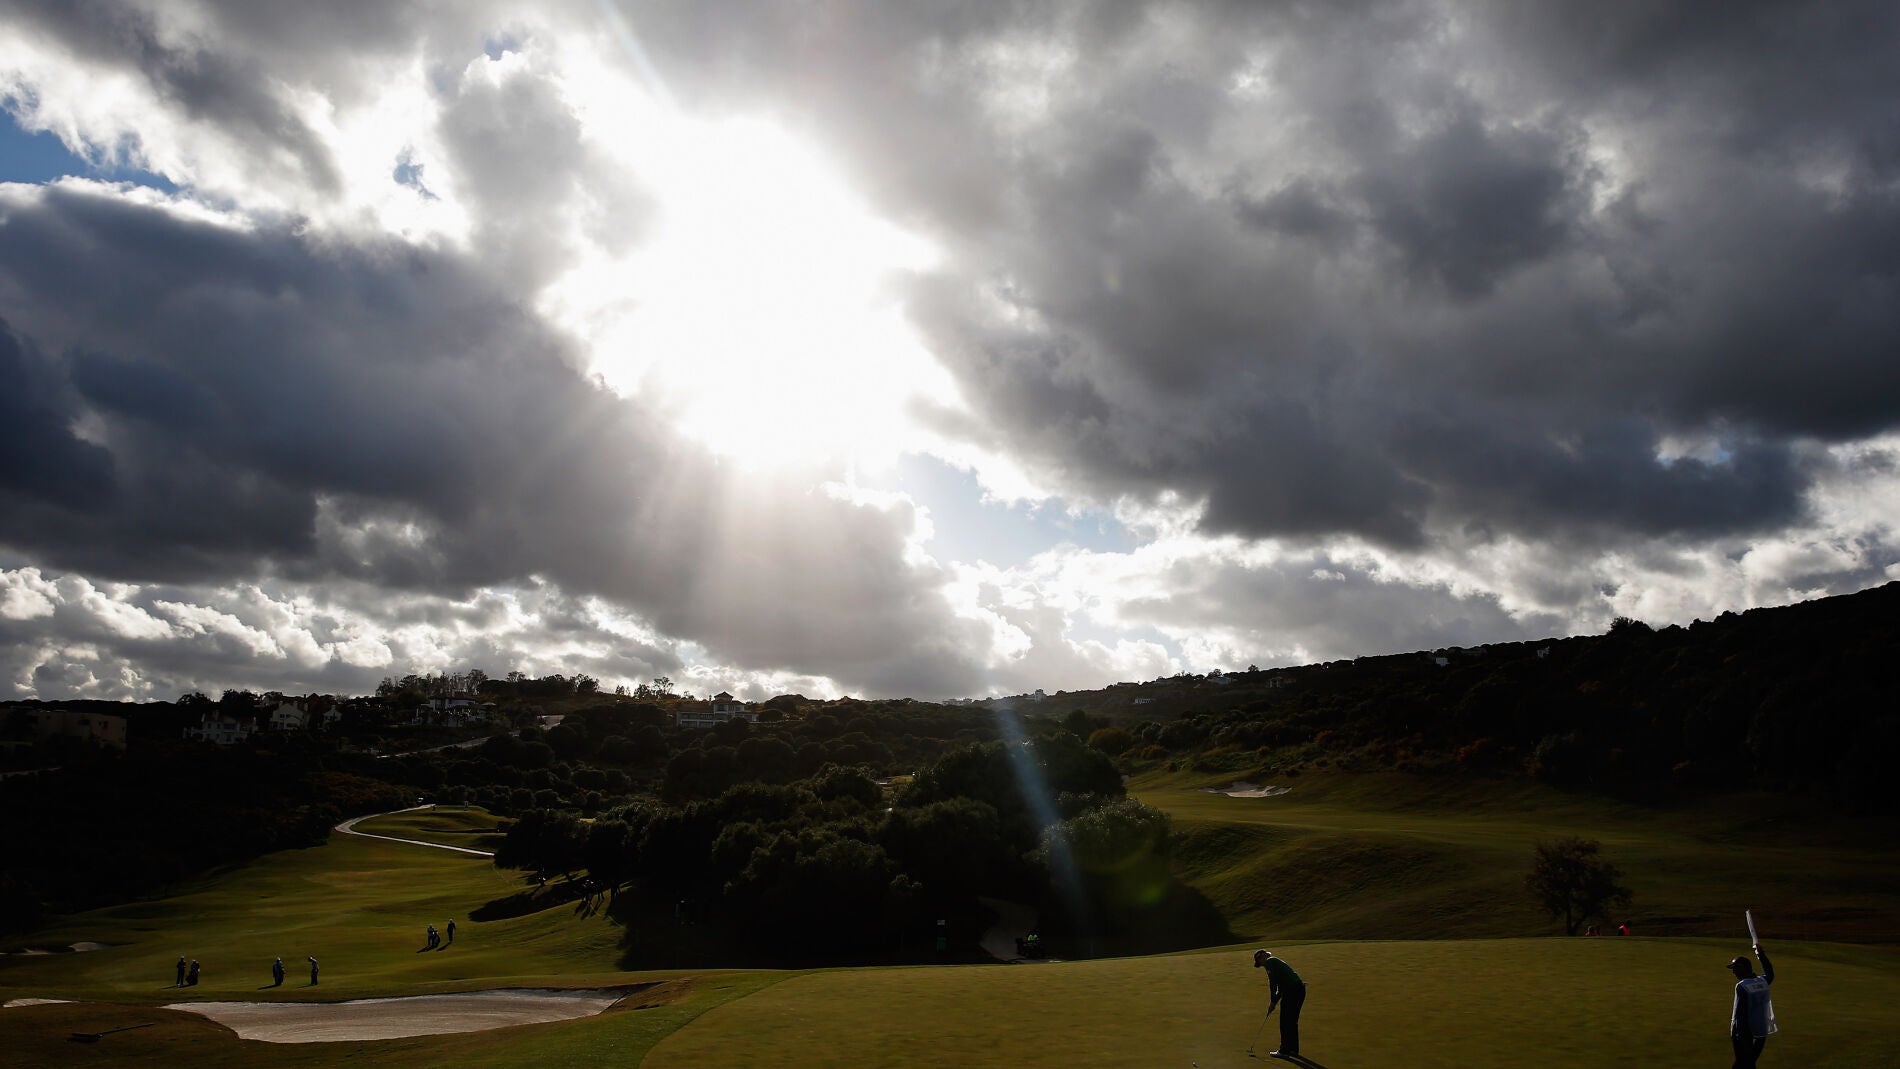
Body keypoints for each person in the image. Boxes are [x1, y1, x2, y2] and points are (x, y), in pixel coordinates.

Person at [1728, 943, 1777, 1069]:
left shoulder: (1742, 986)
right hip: (1761, 1030)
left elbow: (1740, 1014)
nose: (1733, 972)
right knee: (1749, 1062)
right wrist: (1761, 955)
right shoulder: (1762, 982)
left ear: (1742, 968)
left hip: (1744, 1034)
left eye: (1735, 968)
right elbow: (1770, 973)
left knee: (1743, 1063)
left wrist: (1738, 1035)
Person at [1252, 949, 1307, 1059]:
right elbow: (1280, 988)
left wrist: (1272, 1002)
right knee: (1292, 1021)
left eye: (1260, 962)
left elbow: (1273, 984)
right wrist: (1274, 1002)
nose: (1262, 965)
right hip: (1299, 990)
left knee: (1285, 1022)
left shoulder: (1270, 962)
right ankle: (1293, 1049)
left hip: (1292, 992)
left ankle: (1284, 1051)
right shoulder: (1275, 962)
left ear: (1262, 956)